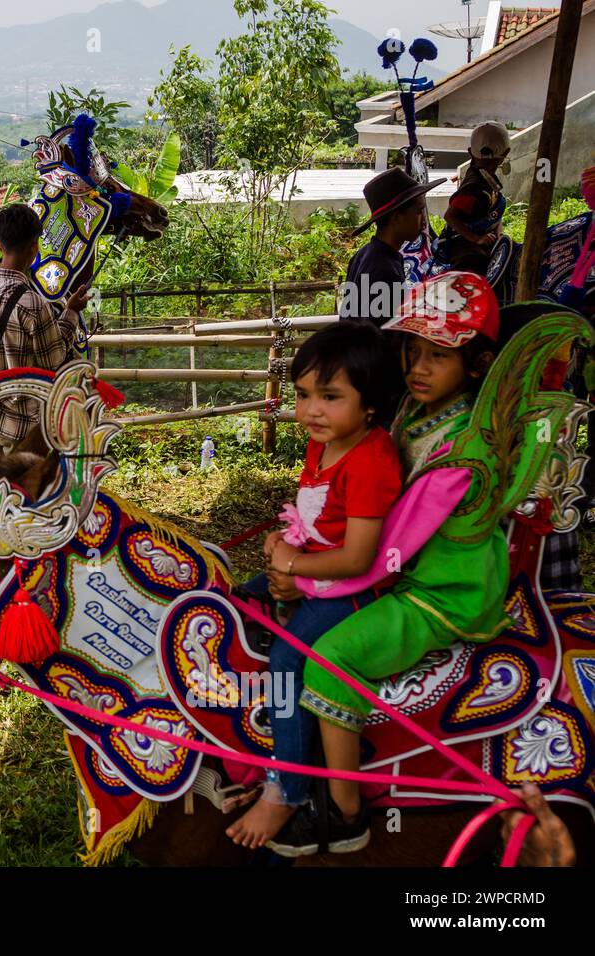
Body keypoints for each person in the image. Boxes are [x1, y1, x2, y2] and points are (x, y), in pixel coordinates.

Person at [268, 271, 507, 857]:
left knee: (330, 665)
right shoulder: (418, 414)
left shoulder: (462, 449)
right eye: (413, 351)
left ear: (476, 365)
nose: (419, 368)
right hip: (408, 573)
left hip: (440, 591)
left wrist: (303, 574)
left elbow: (382, 551)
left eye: (439, 356)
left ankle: (347, 814)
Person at [226, 322, 403, 849]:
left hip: (351, 588)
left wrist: (295, 570)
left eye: (330, 397)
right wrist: (284, 545)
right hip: (311, 568)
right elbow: (314, 516)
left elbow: (357, 556)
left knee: (286, 659)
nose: (311, 411)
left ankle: (288, 788)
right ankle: (248, 736)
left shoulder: (370, 460)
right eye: (303, 395)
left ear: (371, 403)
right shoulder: (323, 444)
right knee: (236, 605)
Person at [0, 202, 90, 448]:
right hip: (24, 429)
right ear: (34, 247)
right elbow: (54, 359)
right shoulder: (33, 303)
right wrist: (71, 312)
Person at [339, 167, 444, 327]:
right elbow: (384, 333)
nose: (424, 220)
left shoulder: (364, 255)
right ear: (396, 217)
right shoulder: (385, 270)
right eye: (418, 211)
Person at [436, 121, 510, 275]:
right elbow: (450, 216)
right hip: (461, 243)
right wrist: (476, 239)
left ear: (470, 152)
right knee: (475, 267)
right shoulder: (473, 188)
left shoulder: (486, 179)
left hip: (482, 237)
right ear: (505, 154)